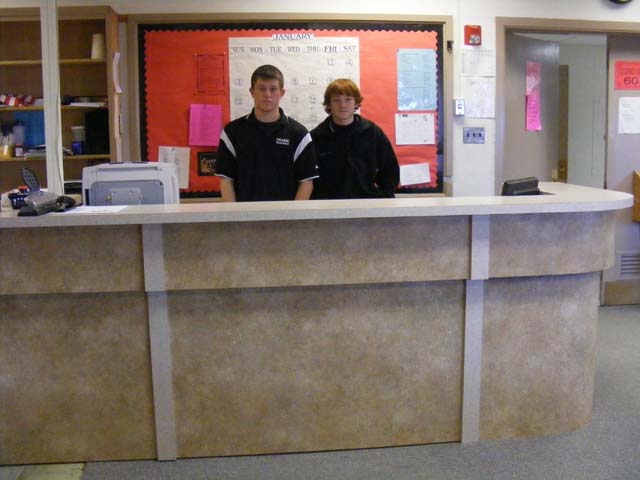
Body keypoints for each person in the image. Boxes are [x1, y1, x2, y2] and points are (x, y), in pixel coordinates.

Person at [215, 64, 318, 201]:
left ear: (282, 93)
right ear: (252, 91)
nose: (268, 95)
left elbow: (306, 182)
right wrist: (234, 213)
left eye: (273, 89)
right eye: (262, 88)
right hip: (244, 213)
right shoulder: (232, 132)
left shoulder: (299, 134)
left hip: (285, 213)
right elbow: (226, 179)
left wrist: (292, 213)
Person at [310, 78, 399, 199]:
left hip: (367, 203)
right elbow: (307, 176)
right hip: (328, 205)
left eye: (348, 99)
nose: (342, 105)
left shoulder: (372, 132)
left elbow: (390, 169)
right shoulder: (316, 137)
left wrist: (385, 196)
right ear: (329, 105)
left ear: (356, 103)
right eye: (336, 100)